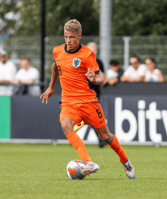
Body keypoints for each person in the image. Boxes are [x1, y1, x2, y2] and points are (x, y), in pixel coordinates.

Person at [40, 19, 135, 179]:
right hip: (69, 102)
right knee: (65, 124)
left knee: (106, 136)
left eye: (71, 37)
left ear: (79, 36)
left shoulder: (87, 54)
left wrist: (94, 78)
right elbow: (56, 66)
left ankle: (125, 160)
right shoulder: (57, 51)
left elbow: (101, 79)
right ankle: (89, 162)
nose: (68, 41)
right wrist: (51, 87)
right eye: (66, 37)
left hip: (88, 102)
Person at [74, 42, 107, 148]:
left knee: (90, 116)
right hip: (82, 93)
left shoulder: (99, 62)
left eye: (94, 50)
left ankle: (73, 136)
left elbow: (103, 77)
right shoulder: (80, 61)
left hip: (94, 94)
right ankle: (101, 139)